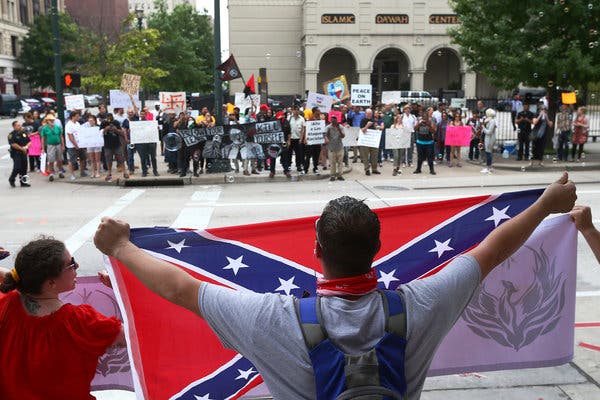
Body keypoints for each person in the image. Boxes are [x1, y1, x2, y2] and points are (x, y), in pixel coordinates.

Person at [94, 173, 576, 400]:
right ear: (379, 248)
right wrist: (544, 206)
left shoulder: (270, 318)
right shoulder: (422, 304)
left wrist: (121, 248)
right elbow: (490, 251)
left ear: (316, 252)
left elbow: (182, 289)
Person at [0, 237, 124, 399]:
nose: (77, 265)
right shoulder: (81, 322)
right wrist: (121, 287)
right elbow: (137, 335)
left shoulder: (4, 305)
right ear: (51, 283)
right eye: (71, 264)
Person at [413, 108, 437, 175]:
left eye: (426, 117)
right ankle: (418, 169)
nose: (424, 118)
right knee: (420, 157)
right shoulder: (419, 121)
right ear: (422, 117)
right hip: (420, 142)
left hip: (429, 142)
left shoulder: (431, 122)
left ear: (427, 117)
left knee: (430, 157)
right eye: (423, 117)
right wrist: (419, 124)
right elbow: (414, 129)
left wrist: (428, 125)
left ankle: (431, 170)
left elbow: (434, 131)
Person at [7, 120, 31, 188]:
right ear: (14, 127)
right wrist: (22, 149)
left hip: (24, 153)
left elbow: (29, 141)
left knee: (24, 168)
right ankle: (12, 179)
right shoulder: (11, 135)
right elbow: (13, 144)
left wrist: (26, 147)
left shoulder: (23, 133)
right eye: (18, 125)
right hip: (16, 153)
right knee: (17, 168)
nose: (20, 126)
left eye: (20, 125)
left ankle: (23, 182)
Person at [325, 115, 345, 181]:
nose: (333, 120)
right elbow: (325, 134)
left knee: (340, 162)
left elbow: (343, 136)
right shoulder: (328, 127)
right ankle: (332, 175)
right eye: (332, 119)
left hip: (339, 147)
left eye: (335, 119)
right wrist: (326, 138)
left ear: (337, 120)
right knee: (332, 162)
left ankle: (340, 175)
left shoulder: (341, 127)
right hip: (331, 147)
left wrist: (338, 129)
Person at [480, 108, 497, 174]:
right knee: (488, 152)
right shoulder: (488, 120)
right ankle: (489, 166)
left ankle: (488, 168)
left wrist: (484, 128)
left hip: (490, 139)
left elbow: (489, 132)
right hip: (488, 138)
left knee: (488, 153)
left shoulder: (492, 121)